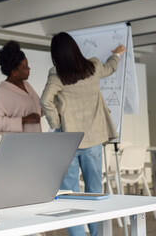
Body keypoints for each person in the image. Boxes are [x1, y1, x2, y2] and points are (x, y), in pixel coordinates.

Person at [40, 32, 126, 236]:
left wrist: (57, 123)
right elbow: (111, 67)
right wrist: (117, 54)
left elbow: (45, 101)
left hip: (69, 141)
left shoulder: (57, 74)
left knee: (70, 195)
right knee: (95, 192)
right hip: (93, 140)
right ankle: (97, 234)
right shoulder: (93, 67)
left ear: (56, 55)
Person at [0, 40, 43, 134]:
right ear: (14, 71)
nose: (29, 69)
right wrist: (24, 120)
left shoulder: (26, 85)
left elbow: (38, 110)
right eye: (25, 67)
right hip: (18, 145)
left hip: (35, 143)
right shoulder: (2, 92)